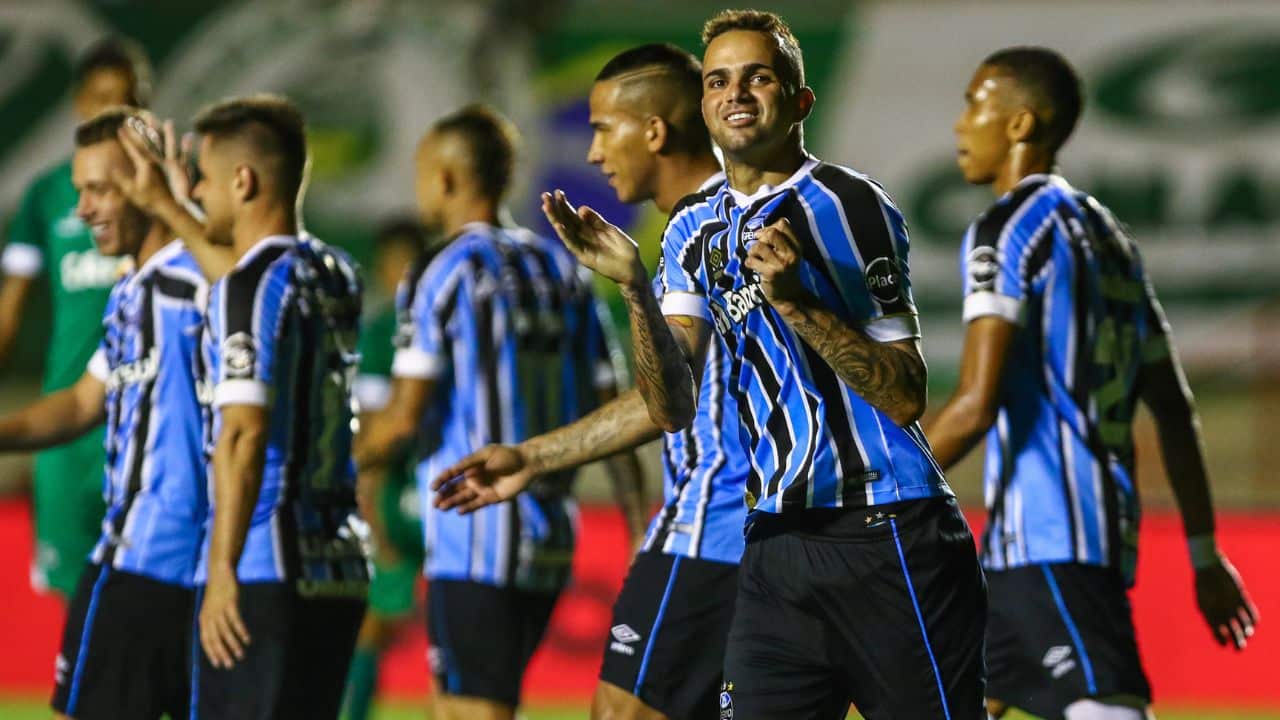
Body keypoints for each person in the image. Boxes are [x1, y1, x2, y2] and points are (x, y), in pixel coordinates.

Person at [439, 11, 987, 719]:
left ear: (799, 100)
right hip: (773, 542)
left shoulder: (848, 204)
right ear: (704, 103)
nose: (738, 93)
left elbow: (906, 393)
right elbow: (670, 404)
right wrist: (634, 289)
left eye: (759, 77)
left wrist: (797, 307)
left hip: (884, 530)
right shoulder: (694, 231)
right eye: (721, 80)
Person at [926, 46, 1259, 720]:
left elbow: (973, 404)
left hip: (1051, 538)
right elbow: (1173, 407)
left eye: (974, 103)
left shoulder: (1007, 231)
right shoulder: (1111, 239)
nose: (961, 124)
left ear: (1019, 123)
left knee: (1109, 710)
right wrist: (1202, 553)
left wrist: (867, 487)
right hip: (1072, 540)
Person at [433, 43, 746, 720]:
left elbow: (665, 402)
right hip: (765, 542)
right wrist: (533, 457)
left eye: (604, 129)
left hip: (710, 528)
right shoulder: (744, 218)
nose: (594, 153)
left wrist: (634, 288)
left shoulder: (697, 232)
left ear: (655, 132)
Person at [355, 104, 640, 720]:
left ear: (448, 179)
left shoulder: (442, 269)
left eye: (422, 172)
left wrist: (329, 466)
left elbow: (403, 417)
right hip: (550, 537)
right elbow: (613, 407)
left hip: (473, 532)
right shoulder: (561, 268)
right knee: (473, 703)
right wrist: (637, 524)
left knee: (469, 710)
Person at [125, 94, 369, 719]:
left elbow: (243, 435)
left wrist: (221, 568)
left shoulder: (249, 286)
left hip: (263, 568)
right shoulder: (335, 272)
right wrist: (167, 206)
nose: (197, 192)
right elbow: (243, 287)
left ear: (243, 180)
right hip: (337, 564)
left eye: (202, 179)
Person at [0, 107, 207, 720]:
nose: (83, 208)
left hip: (166, 562)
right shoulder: (129, 293)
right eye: (79, 190)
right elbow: (82, 403)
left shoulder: (210, 284)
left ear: (146, 181)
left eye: (99, 189)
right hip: (151, 560)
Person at [0, 37, 153, 598]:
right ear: (78, 103)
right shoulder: (45, 198)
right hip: (69, 415)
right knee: (77, 596)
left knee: (148, 594)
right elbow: (10, 313)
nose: (113, 116)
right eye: (101, 100)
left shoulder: (172, 201)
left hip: (143, 425)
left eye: (128, 102)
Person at [342, 218, 431, 720]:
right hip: (436, 487)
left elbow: (375, 428)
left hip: (405, 494)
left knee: (372, 625)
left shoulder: (380, 333)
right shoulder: (453, 319)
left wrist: (365, 500)